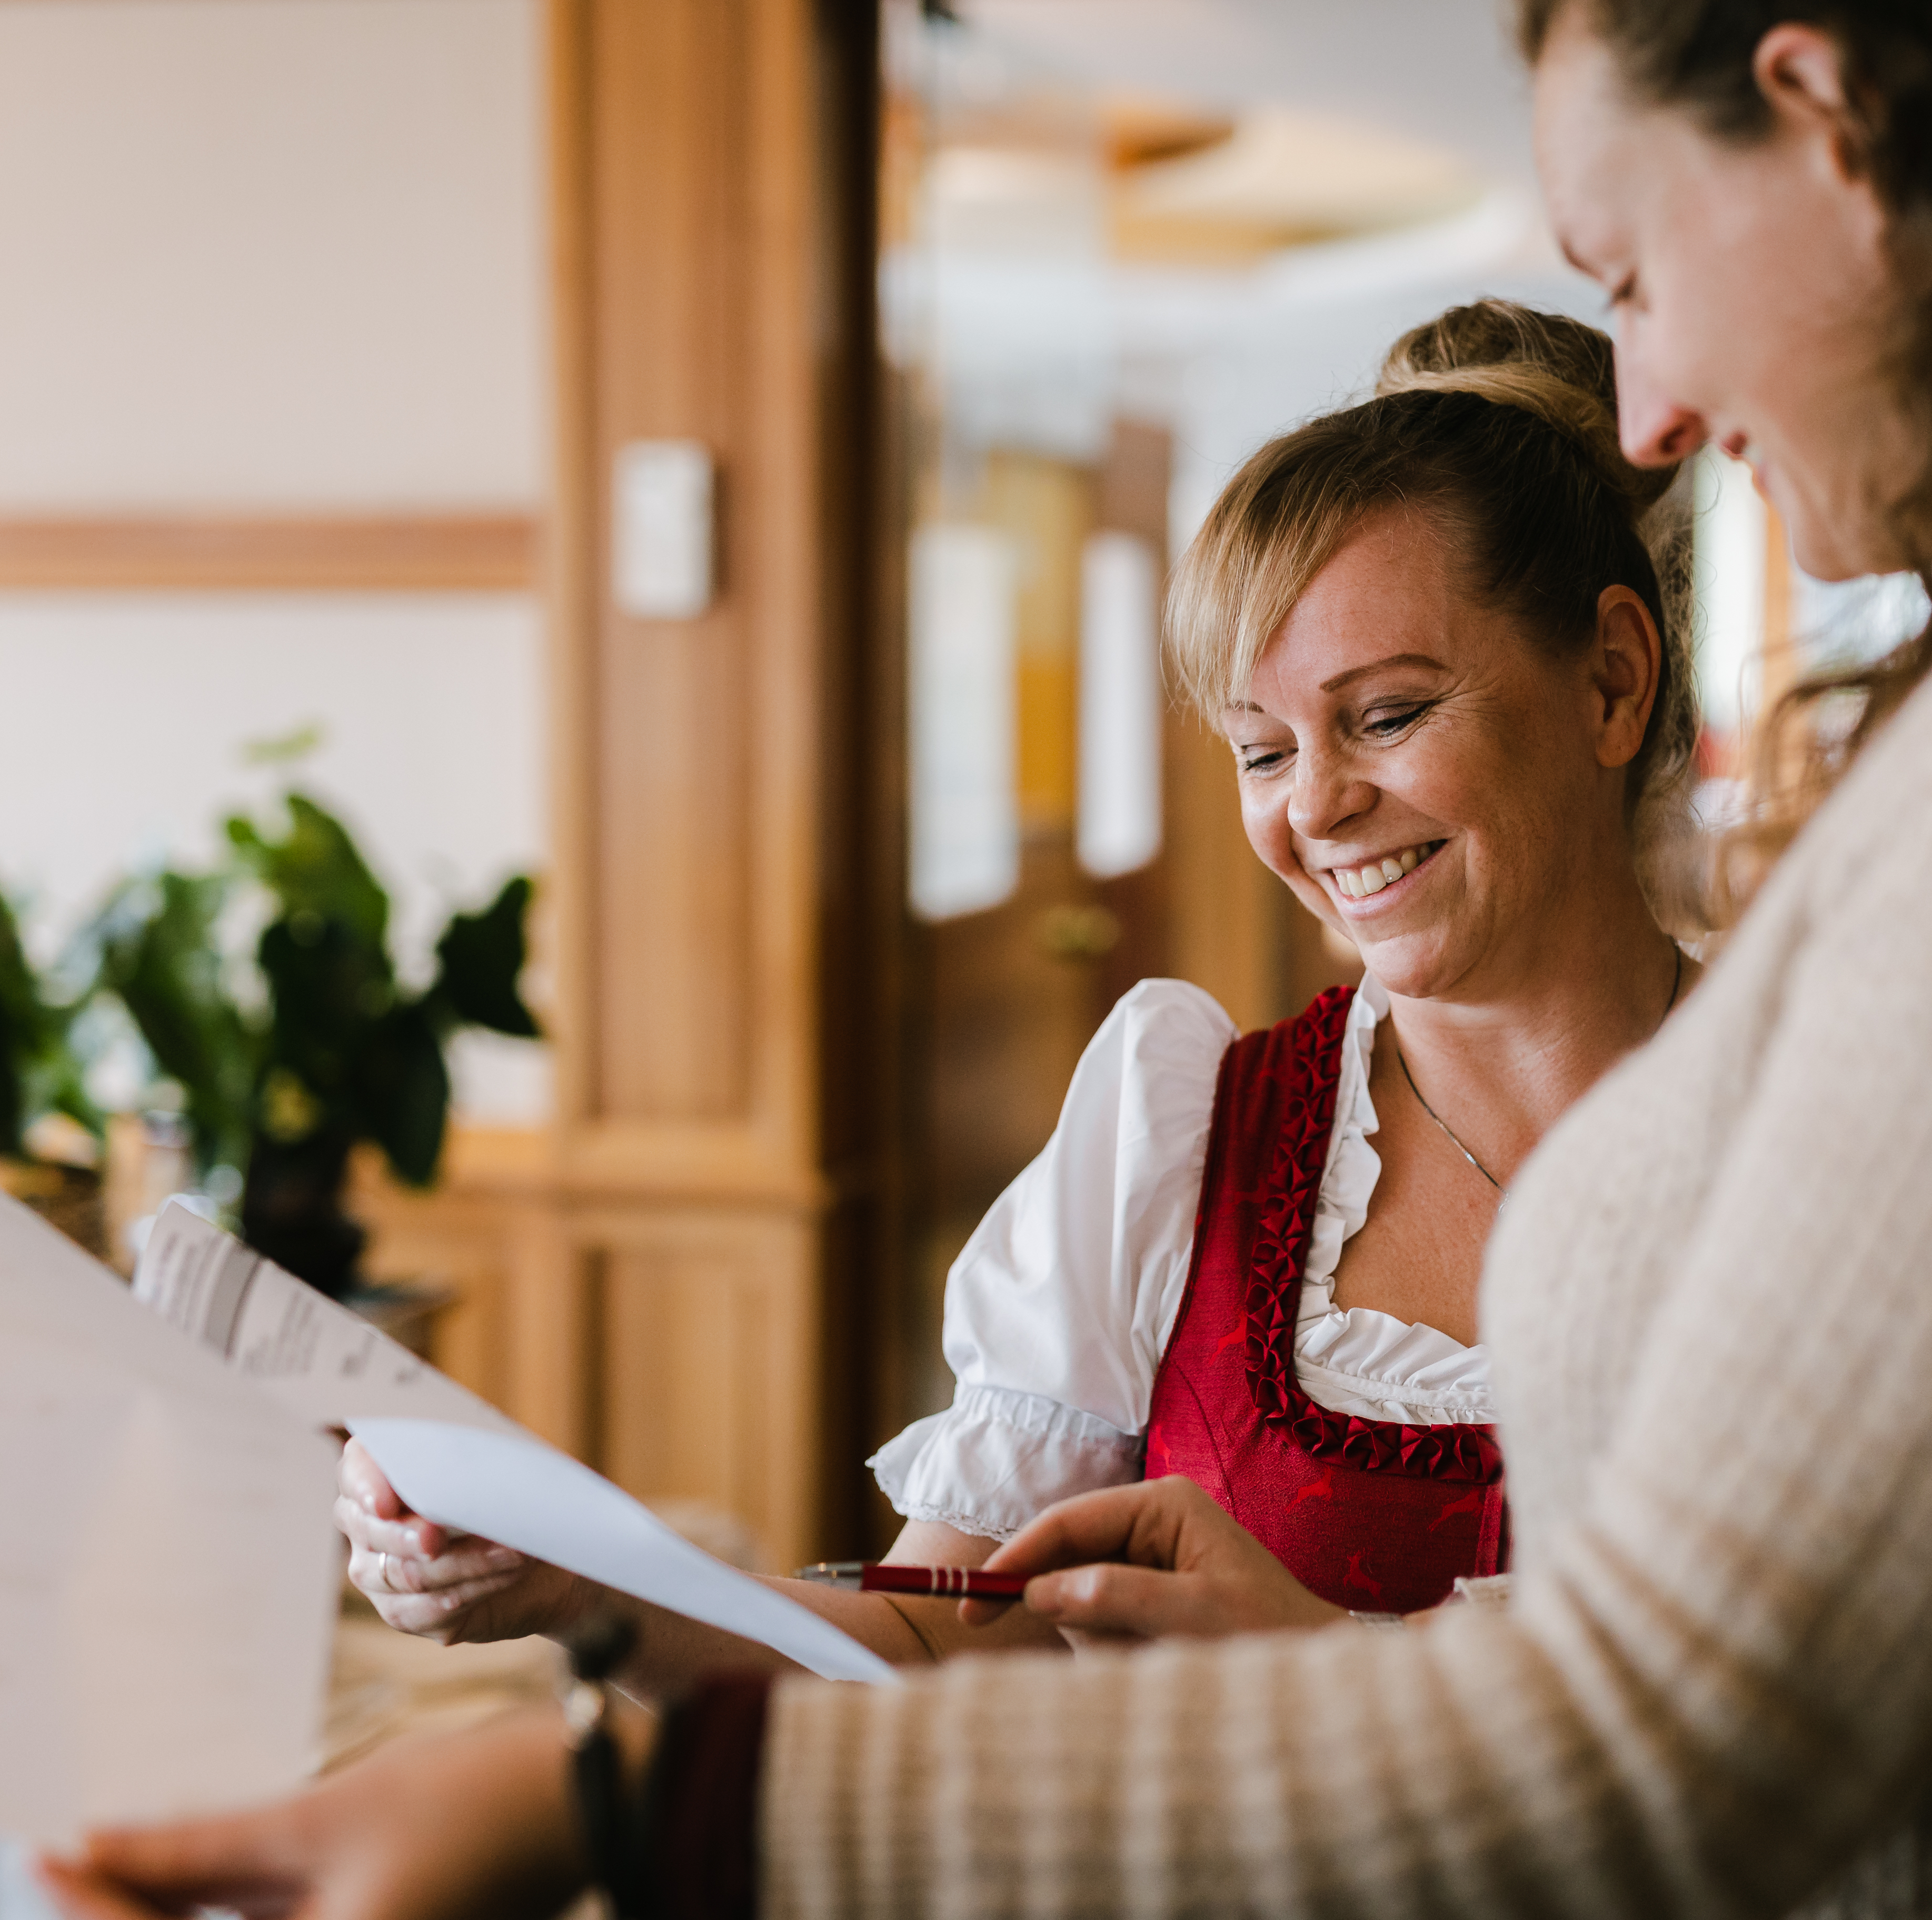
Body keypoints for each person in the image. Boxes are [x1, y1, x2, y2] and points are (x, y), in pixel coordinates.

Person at [47, 1, 1932, 1913]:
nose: (1672, 394)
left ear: (1833, 116)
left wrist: (616, 1802)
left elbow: (1681, 1740)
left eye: (1632, 264)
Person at [332, 296, 1705, 1688]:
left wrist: (1320, 1657)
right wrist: (578, 1584)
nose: (1320, 808)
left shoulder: (1834, 1122)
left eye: (1390, 714)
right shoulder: (1183, 1140)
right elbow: (941, 1636)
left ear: (1611, 680)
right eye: (1262, 750)